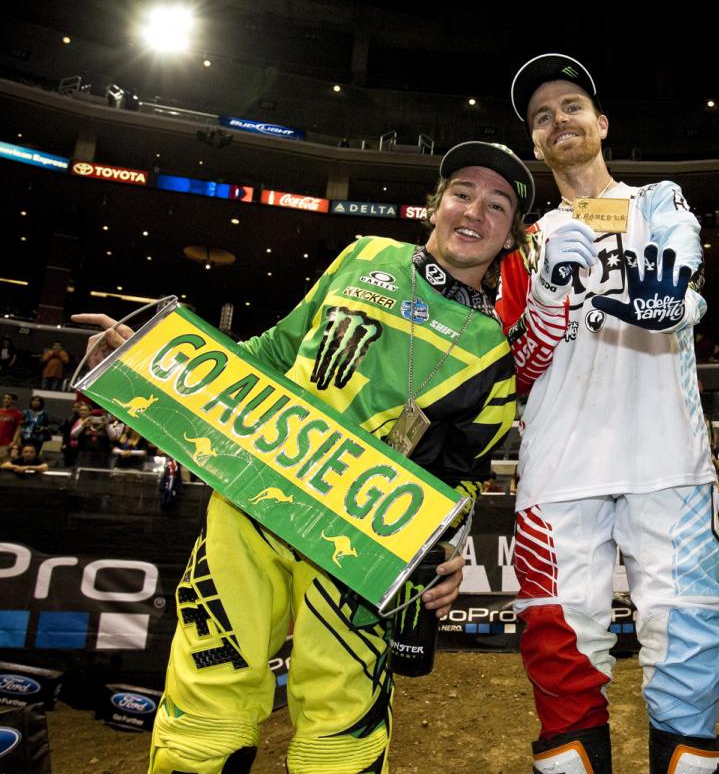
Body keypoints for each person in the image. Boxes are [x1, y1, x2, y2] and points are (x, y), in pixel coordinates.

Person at [76, 141, 530, 774]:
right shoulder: (366, 255)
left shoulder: (495, 361)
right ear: (436, 204)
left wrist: (450, 550)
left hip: (361, 554)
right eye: (461, 192)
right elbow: (273, 350)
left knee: (340, 732)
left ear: (510, 236)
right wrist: (153, 359)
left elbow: (463, 479)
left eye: (497, 205)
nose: (473, 211)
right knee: (205, 706)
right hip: (250, 504)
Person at [498, 53, 719, 774]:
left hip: (666, 452)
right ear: (535, 144)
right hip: (558, 464)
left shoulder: (657, 201)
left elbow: (684, 294)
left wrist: (669, 302)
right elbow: (521, 368)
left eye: (570, 107)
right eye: (541, 117)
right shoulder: (523, 240)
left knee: (690, 648)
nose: (557, 121)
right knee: (559, 656)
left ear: (600, 123)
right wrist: (548, 294)